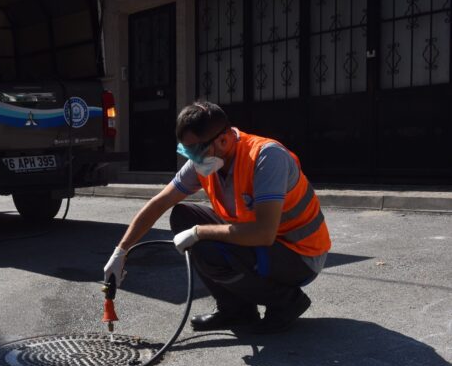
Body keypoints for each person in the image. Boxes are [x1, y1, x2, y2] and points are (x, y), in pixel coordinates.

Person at [104, 100, 331, 334]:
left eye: (195, 151)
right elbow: (160, 202)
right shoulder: (205, 159)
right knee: (182, 216)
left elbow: (263, 233)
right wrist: (121, 251)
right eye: (187, 151)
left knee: (207, 246)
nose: (192, 159)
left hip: (300, 255)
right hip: (265, 245)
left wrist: (198, 232)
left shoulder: (266, 157)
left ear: (223, 140)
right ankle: (236, 311)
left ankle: (286, 302)